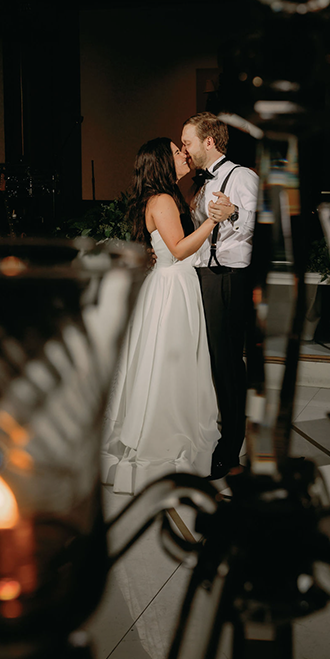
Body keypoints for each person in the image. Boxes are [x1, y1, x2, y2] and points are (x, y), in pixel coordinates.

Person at [101, 137, 222, 495]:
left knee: (166, 363)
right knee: (171, 363)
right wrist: (213, 222)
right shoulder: (164, 200)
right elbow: (181, 249)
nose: (183, 154)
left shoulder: (163, 198)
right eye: (175, 151)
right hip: (172, 288)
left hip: (170, 284)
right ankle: (165, 437)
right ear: (162, 163)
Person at [181, 112, 259, 481]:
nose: (185, 148)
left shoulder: (242, 176)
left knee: (227, 363)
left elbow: (250, 225)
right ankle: (213, 436)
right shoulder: (201, 184)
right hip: (205, 274)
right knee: (211, 361)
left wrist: (232, 213)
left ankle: (230, 449)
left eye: (189, 142)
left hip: (228, 276)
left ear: (208, 142)